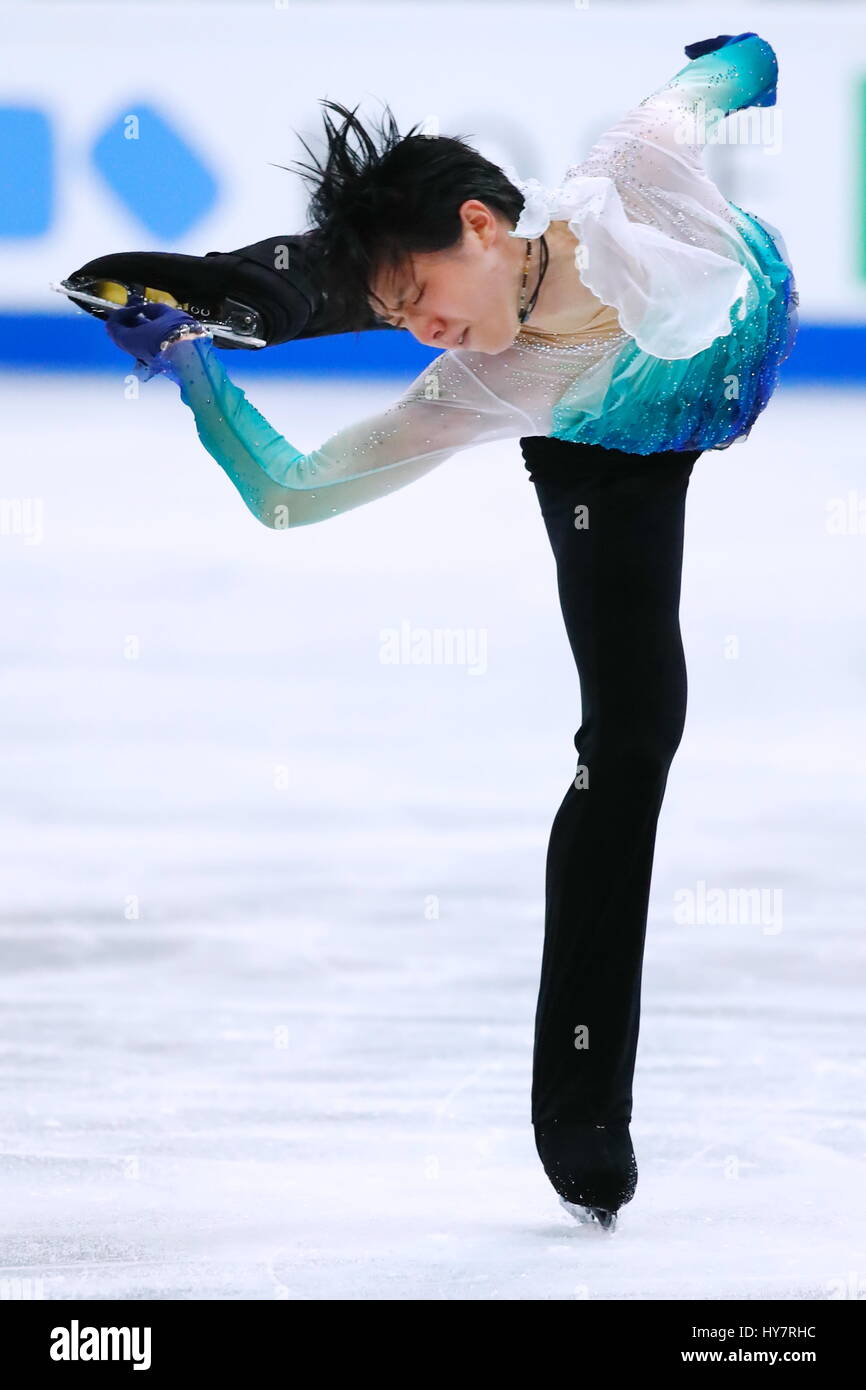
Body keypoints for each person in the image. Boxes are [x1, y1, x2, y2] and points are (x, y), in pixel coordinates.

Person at [75, 31, 798, 1228]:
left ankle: (287, 278)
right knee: (628, 743)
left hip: (671, 367)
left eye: (414, 299)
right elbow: (291, 492)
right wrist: (192, 375)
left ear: (478, 223)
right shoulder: (476, 382)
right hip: (601, 445)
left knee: (641, 737)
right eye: (395, 317)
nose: (420, 333)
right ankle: (581, 1107)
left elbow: (726, 75)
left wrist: (743, 57)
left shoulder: (632, 172)